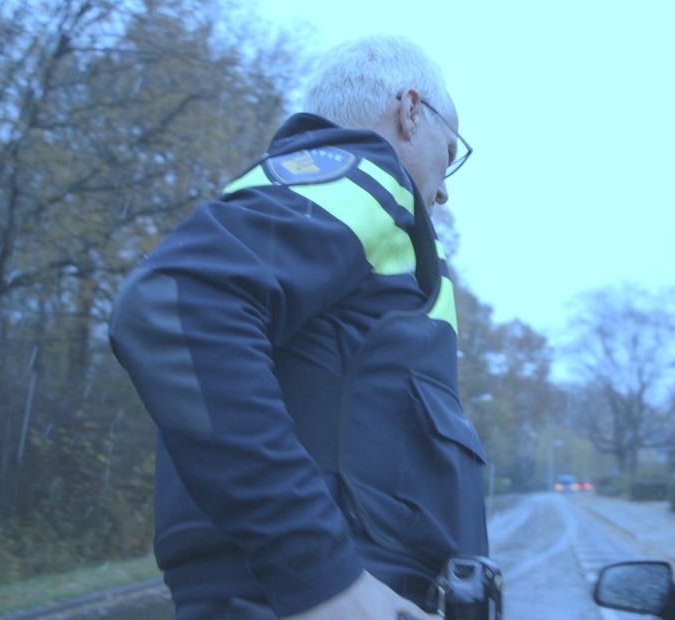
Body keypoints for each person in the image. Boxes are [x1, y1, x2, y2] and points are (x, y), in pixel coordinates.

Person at [109, 36, 487, 619]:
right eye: (451, 151)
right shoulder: (358, 181)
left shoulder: (359, 226)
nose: (443, 188)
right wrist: (322, 577)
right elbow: (174, 302)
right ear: (411, 111)